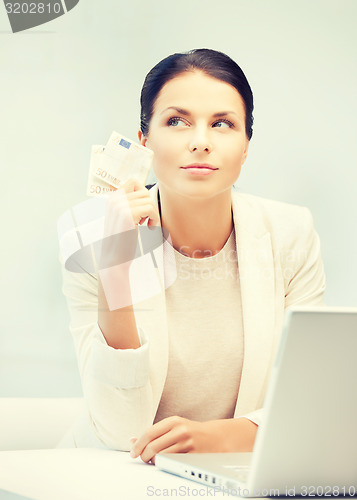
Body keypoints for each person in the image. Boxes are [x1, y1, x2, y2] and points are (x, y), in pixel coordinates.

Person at [59, 48, 326, 464]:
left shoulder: (291, 234)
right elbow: (119, 430)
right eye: (177, 121)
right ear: (144, 143)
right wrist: (115, 269)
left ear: (246, 146)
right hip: (112, 477)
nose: (200, 142)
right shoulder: (90, 240)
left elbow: (309, 406)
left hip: (235, 475)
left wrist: (218, 438)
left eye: (222, 124)